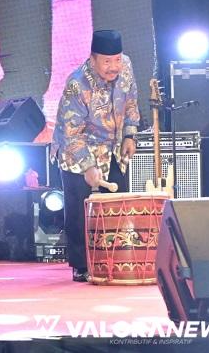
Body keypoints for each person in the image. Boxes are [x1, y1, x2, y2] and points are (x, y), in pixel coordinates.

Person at [51, 30, 140, 282]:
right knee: (81, 207)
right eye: (107, 61)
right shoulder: (77, 84)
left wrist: (130, 135)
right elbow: (71, 133)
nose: (114, 67)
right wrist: (88, 166)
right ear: (93, 59)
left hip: (111, 146)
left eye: (117, 60)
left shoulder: (127, 66)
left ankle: (115, 257)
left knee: (117, 200)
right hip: (76, 147)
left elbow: (132, 101)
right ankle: (81, 264)